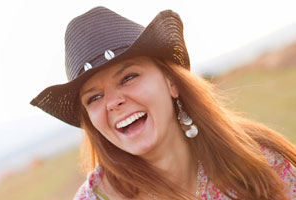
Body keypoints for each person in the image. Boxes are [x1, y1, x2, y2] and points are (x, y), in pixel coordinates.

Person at [30, 6, 296, 200]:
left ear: (172, 82)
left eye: (128, 77)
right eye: (94, 97)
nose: (113, 102)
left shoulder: (260, 158)